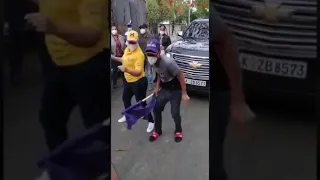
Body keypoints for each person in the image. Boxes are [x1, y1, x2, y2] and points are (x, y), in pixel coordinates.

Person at [26, 0, 110, 168]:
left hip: (89, 65)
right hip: (58, 65)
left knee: (97, 128)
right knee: (50, 118)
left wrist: (53, 28)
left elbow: (92, 35)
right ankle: (63, 168)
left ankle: (103, 168)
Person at [210, 7, 254, 180]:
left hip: (219, 91)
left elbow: (227, 43)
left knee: (214, 159)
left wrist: (237, 100)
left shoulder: (213, 22)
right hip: (218, 91)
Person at [145, 39, 189, 143]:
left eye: (153, 54)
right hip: (164, 89)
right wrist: (157, 86)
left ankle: (178, 130)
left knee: (174, 113)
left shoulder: (168, 63)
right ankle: (157, 130)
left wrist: (184, 93)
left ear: (159, 53)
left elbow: (180, 74)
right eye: (148, 54)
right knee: (156, 109)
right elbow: (160, 74)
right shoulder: (152, 61)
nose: (150, 56)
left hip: (175, 90)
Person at [111, 30, 155, 133]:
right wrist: (112, 57)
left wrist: (125, 69)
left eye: (133, 42)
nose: (131, 44)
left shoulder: (139, 54)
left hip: (138, 82)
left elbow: (138, 72)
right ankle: (127, 115)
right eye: (129, 42)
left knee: (141, 103)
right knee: (125, 99)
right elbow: (124, 59)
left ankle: (151, 122)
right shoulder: (127, 49)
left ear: (137, 42)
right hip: (128, 81)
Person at [139, 23, 155, 88]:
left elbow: (152, 46)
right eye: (140, 28)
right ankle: (143, 83)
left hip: (148, 55)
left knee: (149, 71)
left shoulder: (150, 36)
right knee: (142, 70)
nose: (141, 30)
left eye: (142, 28)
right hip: (140, 56)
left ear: (146, 28)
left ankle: (150, 84)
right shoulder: (139, 36)